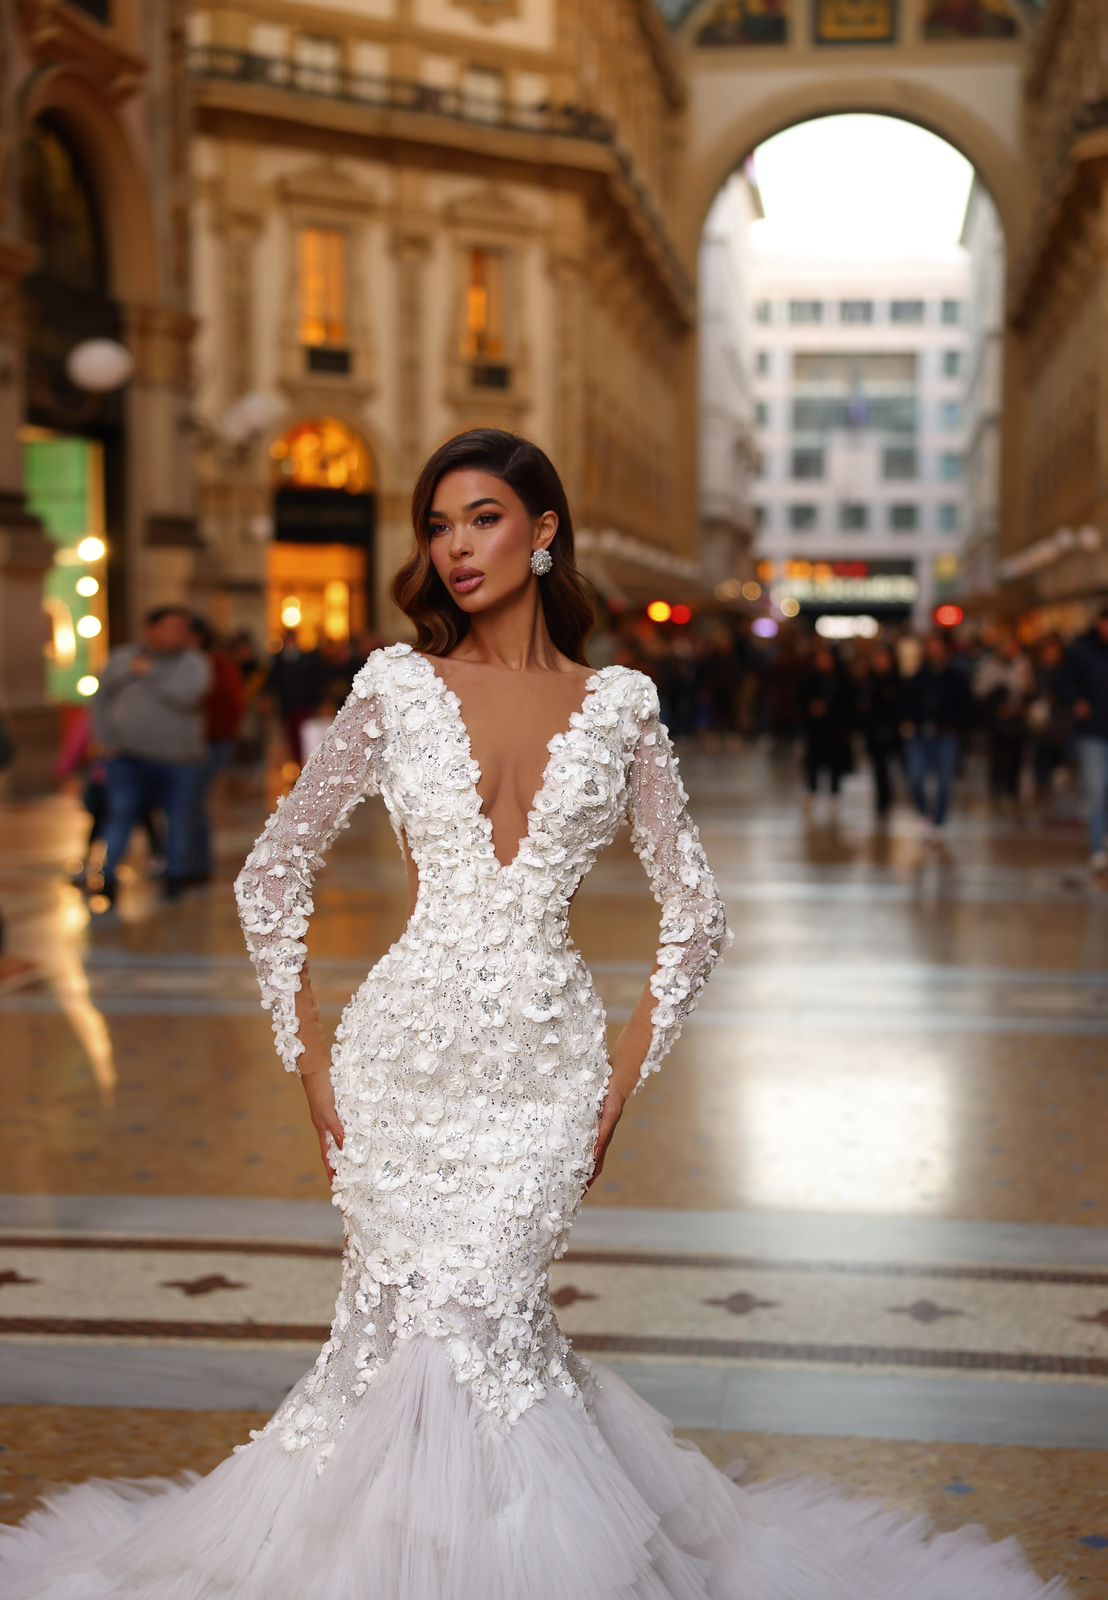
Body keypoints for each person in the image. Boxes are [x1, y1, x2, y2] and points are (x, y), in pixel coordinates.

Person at [0, 429, 1066, 1600]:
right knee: (402, 1338)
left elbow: (696, 914)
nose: (455, 548)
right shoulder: (393, 685)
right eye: (437, 526)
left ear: (543, 530)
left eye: (483, 519)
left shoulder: (619, 705)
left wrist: (618, 1082)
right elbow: (273, 872)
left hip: (547, 1079)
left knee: (486, 1326)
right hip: (398, 1064)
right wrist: (308, 1060)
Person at [88, 605, 213, 905]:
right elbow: (101, 699)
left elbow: (190, 695)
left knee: (178, 818)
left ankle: (175, 874)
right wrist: (105, 739)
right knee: (120, 814)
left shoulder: (194, 663)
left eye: (183, 629)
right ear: (151, 629)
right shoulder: (122, 658)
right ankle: (108, 875)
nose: (179, 634)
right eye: (172, 627)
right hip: (127, 758)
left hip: (179, 760)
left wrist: (151, 673)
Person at [184, 615, 248, 886]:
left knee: (193, 799)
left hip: (212, 740)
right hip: (190, 742)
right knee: (188, 801)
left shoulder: (217, 664)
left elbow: (231, 703)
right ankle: (187, 859)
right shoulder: (185, 663)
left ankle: (197, 861)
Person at [900, 631, 974, 846]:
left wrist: (956, 725)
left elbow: (966, 705)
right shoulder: (919, 676)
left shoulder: (955, 677)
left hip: (945, 736)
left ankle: (939, 821)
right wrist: (908, 722)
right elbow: (906, 702)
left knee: (944, 782)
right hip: (920, 735)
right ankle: (925, 814)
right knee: (915, 778)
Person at [1059, 603, 1108, 875]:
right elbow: (1062, 684)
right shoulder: (1082, 652)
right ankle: (1098, 848)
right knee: (1096, 791)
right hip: (1092, 733)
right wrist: (1077, 702)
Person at [973, 632, 1033, 808]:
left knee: (1016, 754)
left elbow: (1027, 690)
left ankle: (1012, 790)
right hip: (996, 718)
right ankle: (997, 787)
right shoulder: (989, 666)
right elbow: (980, 690)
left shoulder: (1022, 664)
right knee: (997, 754)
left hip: (1017, 717)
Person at [799, 640, 855, 814]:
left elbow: (849, 702)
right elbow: (801, 699)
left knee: (835, 762)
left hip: (835, 727)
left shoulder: (842, 680)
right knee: (813, 761)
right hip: (816, 728)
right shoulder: (811, 678)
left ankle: (834, 794)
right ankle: (812, 791)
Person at [265, 627, 328, 766]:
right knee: (292, 738)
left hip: (304, 705)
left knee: (305, 736)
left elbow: (316, 681)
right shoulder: (279, 661)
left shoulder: (307, 659)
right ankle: (298, 763)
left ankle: (306, 764)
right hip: (287, 706)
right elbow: (272, 683)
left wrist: (317, 702)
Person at [856, 641, 903, 822]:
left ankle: (890, 794)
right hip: (874, 730)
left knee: (893, 766)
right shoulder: (869, 681)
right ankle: (882, 799)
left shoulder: (897, 681)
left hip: (893, 729)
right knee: (879, 767)